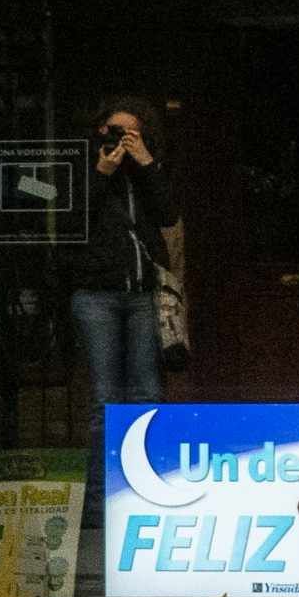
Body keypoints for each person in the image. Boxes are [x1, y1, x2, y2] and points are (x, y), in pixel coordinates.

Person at [63, 96, 181, 411]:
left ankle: (144, 457)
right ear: (101, 129)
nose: (121, 139)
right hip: (96, 294)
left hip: (143, 295)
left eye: (132, 134)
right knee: (105, 397)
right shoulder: (79, 166)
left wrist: (146, 163)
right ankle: (106, 461)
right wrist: (101, 173)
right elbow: (70, 222)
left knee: (148, 392)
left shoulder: (146, 172)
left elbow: (168, 215)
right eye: (116, 130)